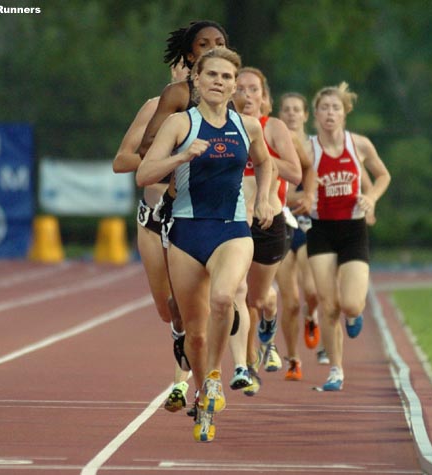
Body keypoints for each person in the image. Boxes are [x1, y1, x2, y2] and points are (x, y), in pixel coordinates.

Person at [136, 47, 275, 442]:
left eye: (226, 77)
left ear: (235, 86)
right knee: (193, 333)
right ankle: (201, 396)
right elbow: (145, 174)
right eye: (211, 74)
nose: (219, 81)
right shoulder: (180, 124)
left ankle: (214, 378)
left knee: (223, 298)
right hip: (185, 233)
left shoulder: (248, 126)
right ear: (196, 80)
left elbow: (265, 162)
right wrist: (180, 156)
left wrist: (264, 198)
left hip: (231, 230)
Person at [113, 60, 192, 412]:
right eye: (180, 66)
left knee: (185, 301)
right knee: (167, 309)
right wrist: (162, 154)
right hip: (152, 218)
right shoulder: (152, 108)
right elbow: (122, 160)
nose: (185, 72)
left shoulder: (212, 115)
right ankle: (187, 350)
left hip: (191, 215)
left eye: (192, 66)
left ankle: (182, 382)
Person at [307, 82, 390, 391]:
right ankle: (336, 370)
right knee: (328, 307)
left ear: (345, 113)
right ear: (315, 114)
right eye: (325, 108)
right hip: (321, 230)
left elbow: (383, 175)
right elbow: (286, 176)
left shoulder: (360, 145)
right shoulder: (307, 148)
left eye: (336, 108)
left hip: (353, 229)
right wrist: (301, 196)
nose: (330, 113)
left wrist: (372, 198)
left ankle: (355, 316)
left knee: (351, 304)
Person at [232, 68, 308, 395]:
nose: (247, 95)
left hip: (269, 220)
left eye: (254, 90)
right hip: (232, 220)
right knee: (237, 293)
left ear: (264, 97)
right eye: (240, 89)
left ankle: (269, 322)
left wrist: (265, 160)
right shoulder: (222, 127)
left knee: (258, 296)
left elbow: (296, 170)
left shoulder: (273, 127)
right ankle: (246, 365)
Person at [274, 92, 325, 382]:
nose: (291, 114)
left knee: (313, 292)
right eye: (286, 109)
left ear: (306, 115)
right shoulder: (275, 144)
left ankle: (311, 317)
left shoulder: (314, 148)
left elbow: (316, 187)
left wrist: (308, 194)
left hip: (311, 225)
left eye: (296, 110)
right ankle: (293, 360)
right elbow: (278, 192)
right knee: (290, 301)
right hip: (283, 224)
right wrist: (300, 196)